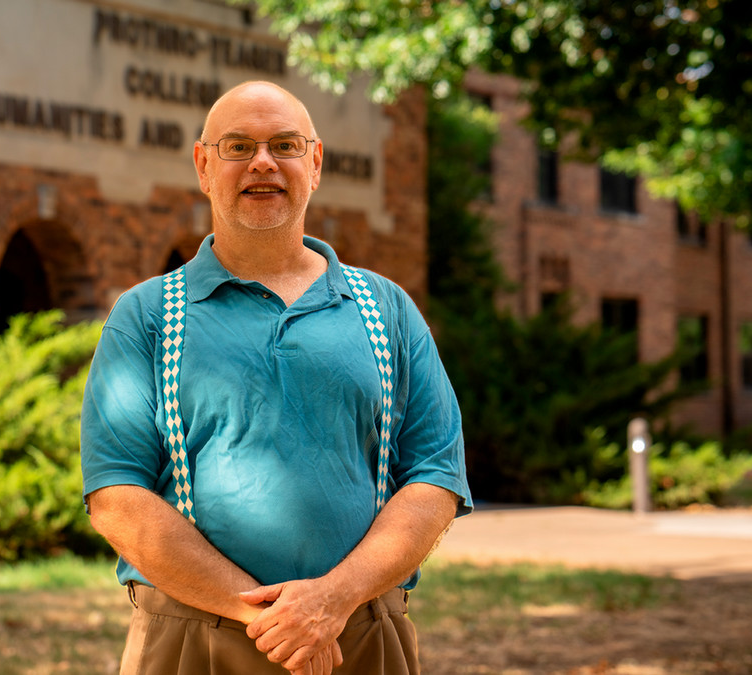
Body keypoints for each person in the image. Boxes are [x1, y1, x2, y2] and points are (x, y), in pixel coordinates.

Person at [80, 80, 472, 675]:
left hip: (362, 638)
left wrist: (332, 600)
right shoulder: (148, 316)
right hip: (192, 642)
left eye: (284, 145)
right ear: (203, 165)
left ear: (314, 164)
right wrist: (275, 617)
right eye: (237, 147)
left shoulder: (386, 308)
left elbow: (435, 479)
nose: (262, 162)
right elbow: (117, 498)